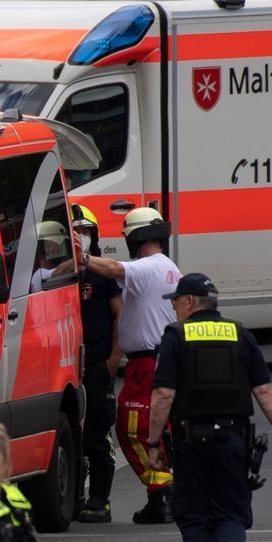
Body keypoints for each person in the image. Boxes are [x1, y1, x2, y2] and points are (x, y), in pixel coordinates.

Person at [146, 272, 272, 542]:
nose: (174, 307)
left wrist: (153, 445)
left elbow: (163, 395)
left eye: (176, 301)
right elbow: (264, 392)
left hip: (189, 442)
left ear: (190, 302)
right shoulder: (240, 334)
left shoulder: (176, 337)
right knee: (230, 516)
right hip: (233, 442)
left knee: (195, 520)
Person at [80, 207, 180, 523]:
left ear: (134, 236)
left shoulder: (148, 267)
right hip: (155, 359)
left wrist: (81, 257)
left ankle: (163, 491)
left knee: (131, 429)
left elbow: (111, 268)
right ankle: (161, 493)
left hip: (147, 363)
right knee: (154, 430)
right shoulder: (166, 266)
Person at [72, 207, 121, 522]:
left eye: (85, 230)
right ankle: (74, 497)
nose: (80, 236)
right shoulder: (60, 272)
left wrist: (114, 358)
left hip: (97, 364)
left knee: (96, 434)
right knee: (71, 436)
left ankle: (99, 499)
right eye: (74, 231)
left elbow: (120, 315)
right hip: (67, 367)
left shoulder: (102, 275)